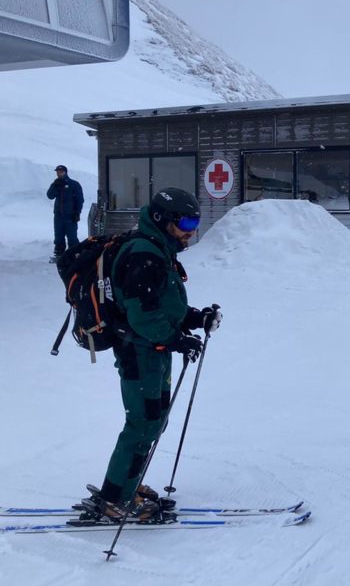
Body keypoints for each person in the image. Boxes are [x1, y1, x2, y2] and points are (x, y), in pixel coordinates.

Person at [79, 187, 222, 522]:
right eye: (186, 223)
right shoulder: (144, 254)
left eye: (196, 222)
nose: (191, 231)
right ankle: (115, 498)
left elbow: (161, 304)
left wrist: (195, 318)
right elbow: (142, 316)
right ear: (162, 219)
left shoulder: (157, 249)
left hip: (154, 352)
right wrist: (177, 339)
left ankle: (128, 484)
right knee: (142, 424)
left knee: (154, 421)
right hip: (139, 353)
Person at [46, 165, 84, 261]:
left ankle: (75, 255)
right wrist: (54, 185)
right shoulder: (57, 184)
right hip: (58, 216)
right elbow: (50, 196)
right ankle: (59, 254)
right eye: (57, 172)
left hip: (70, 216)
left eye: (61, 172)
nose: (59, 173)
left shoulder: (74, 184)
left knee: (72, 237)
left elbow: (80, 200)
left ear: (65, 172)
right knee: (58, 236)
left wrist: (77, 212)